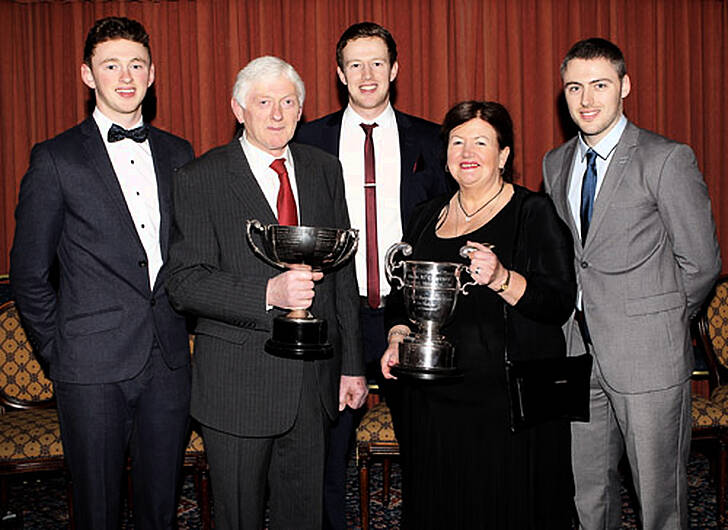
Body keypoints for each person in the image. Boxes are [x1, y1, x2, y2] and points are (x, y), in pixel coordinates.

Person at [165, 56, 367, 529]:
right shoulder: (200, 178)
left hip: (315, 383)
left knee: (305, 517)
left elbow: (342, 276)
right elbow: (184, 282)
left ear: (301, 109)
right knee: (239, 518)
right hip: (237, 387)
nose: (277, 114)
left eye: (288, 102)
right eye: (263, 102)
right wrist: (268, 292)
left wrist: (352, 366)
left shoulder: (324, 169)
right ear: (238, 109)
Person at [9, 16, 194, 529]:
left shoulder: (180, 154)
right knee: (97, 511)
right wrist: (60, 349)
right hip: (88, 369)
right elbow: (27, 273)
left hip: (168, 363)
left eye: (136, 64)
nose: (126, 76)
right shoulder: (55, 158)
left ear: (153, 73)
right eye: (111, 65)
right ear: (88, 75)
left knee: (161, 508)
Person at [543, 38, 721, 529]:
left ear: (624, 86)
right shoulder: (555, 163)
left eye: (599, 85)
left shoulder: (666, 158)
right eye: (574, 87)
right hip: (579, 352)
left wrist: (658, 321)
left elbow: (702, 262)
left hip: (648, 355)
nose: (586, 99)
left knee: (659, 499)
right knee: (587, 492)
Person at [381, 100, 577, 529]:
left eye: (481, 142)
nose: (467, 152)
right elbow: (400, 295)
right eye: (457, 141)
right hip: (432, 399)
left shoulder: (532, 213)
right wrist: (397, 336)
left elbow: (558, 302)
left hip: (505, 405)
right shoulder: (424, 216)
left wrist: (502, 277)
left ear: (503, 154)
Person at [295, 22, 451, 528]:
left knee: (427, 446)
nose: (367, 74)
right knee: (327, 451)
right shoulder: (307, 140)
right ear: (340, 74)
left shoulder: (431, 140)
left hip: (411, 314)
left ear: (395, 70)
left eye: (377, 62)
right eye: (356, 64)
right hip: (334, 312)